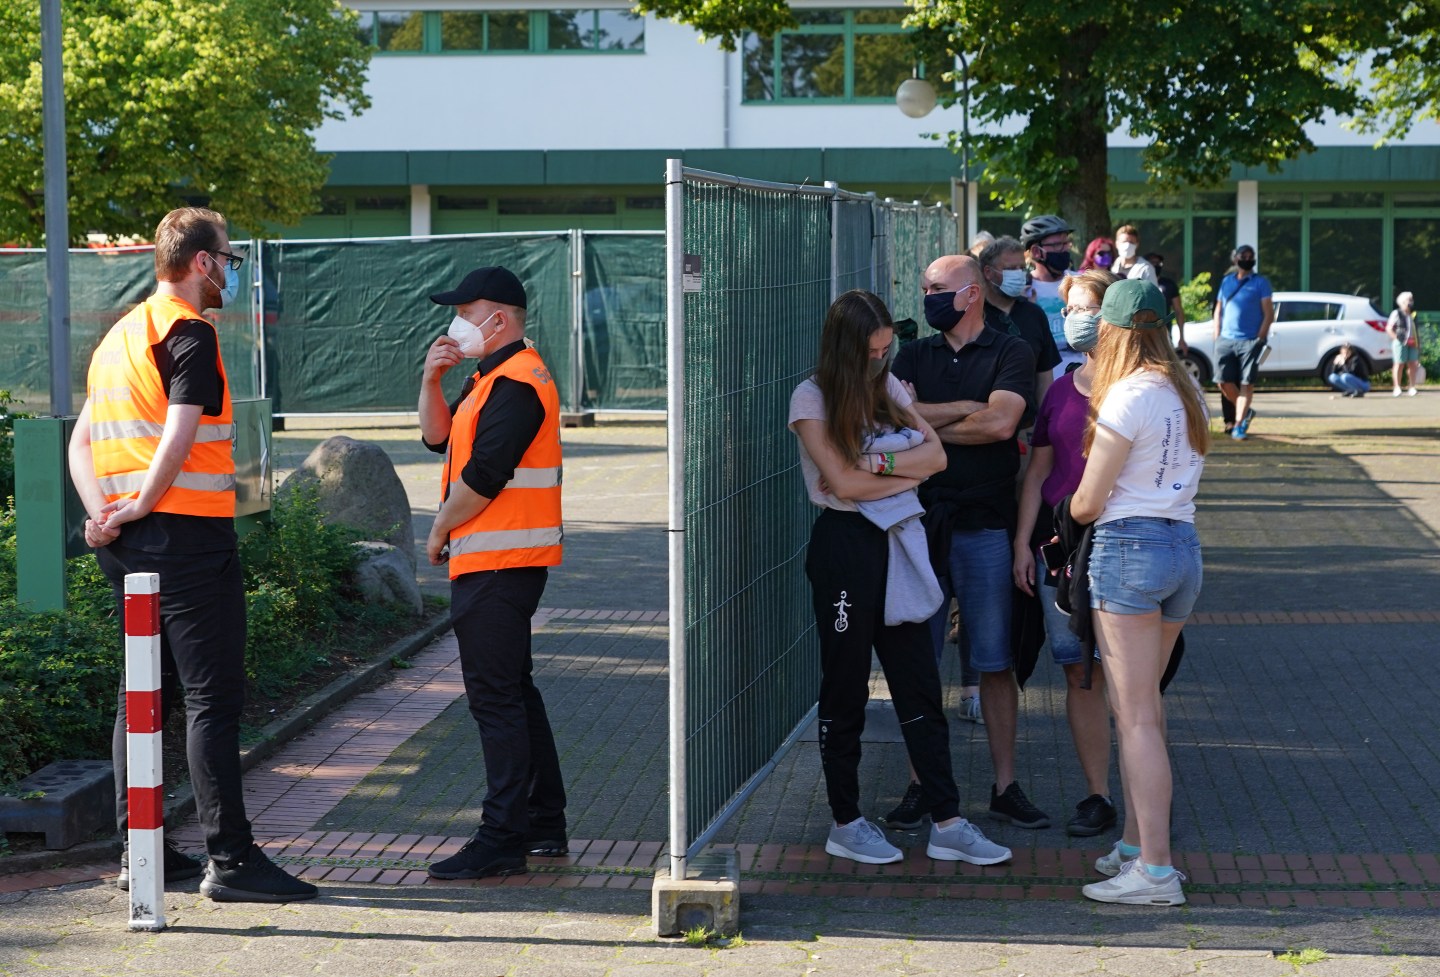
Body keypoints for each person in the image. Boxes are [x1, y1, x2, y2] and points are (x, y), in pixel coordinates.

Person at [67, 207, 318, 903]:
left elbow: (80, 444)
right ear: (202, 262)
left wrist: (104, 515)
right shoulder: (190, 331)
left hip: (130, 546)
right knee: (212, 700)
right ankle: (231, 860)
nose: (231, 271)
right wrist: (144, 502)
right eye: (229, 260)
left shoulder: (118, 337)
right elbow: (180, 431)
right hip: (187, 540)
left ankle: (139, 848)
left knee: (143, 694)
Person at [790, 289, 1012, 867]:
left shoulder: (887, 386)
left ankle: (949, 820)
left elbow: (935, 458)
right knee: (845, 687)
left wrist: (874, 464)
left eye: (888, 349)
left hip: (899, 545)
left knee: (918, 683)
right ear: (844, 348)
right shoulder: (810, 398)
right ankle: (846, 820)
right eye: (871, 351)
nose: (882, 361)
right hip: (844, 550)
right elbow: (844, 488)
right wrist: (888, 475)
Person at [891, 255, 1051, 832]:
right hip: (921, 527)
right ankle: (921, 785)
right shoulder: (912, 354)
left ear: (970, 293)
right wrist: (964, 409)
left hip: (986, 527)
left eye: (936, 288)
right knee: (919, 663)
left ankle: (1005, 786)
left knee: (994, 661)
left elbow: (1003, 425)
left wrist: (926, 420)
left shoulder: (1011, 351)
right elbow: (892, 421)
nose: (926, 296)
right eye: (925, 286)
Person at [420, 266, 569, 880]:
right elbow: (437, 440)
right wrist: (430, 379)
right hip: (495, 560)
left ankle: (502, 836)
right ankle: (541, 822)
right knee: (515, 693)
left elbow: (483, 478)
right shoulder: (489, 378)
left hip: (499, 563)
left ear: (499, 318)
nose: (456, 318)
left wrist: (436, 530)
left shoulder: (518, 384)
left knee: (496, 701)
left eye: (465, 308)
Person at [1067, 279, 1209, 907]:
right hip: (1183, 546)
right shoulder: (1187, 390)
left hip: (1130, 549)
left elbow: (1088, 501)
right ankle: (1134, 847)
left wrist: (1067, 507)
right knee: (1144, 710)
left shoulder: (1126, 396)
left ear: (1114, 332)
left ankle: (1155, 871)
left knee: (1137, 717)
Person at [1012, 270, 1119, 839]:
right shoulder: (1058, 390)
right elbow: (1038, 474)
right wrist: (1023, 544)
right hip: (1063, 553)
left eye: (1084, 307)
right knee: (1079, 672)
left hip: (1124, 548)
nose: (1072, 318)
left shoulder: (1136, 388)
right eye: (1068, 307)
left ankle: (1151, 793)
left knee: (1130, 677)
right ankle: (1097, 796)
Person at [979, 238, 1062, 408]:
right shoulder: (974, 315)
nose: (1018, 274)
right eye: (1010, 269)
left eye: (1022, 268)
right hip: (983, 421)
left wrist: (1042, 424)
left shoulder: (1034, 314)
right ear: (988, 272)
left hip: (1028, 427)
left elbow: (1044, 377)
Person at [1213, 245, 1273, 440]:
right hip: (1226, 340)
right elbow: (1218, 311)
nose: (1247, 259)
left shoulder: (1261, 283)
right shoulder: (1226, 282)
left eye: (1250, 256)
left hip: (1250, 341)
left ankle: (1239, 424)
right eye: (1243, 256)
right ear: (1235, 259)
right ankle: (1245, 410)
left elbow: (1268, 314)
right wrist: (1217, 336)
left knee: (1247, 383)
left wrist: (1260, 338)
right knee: (1222, 382)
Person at [1020, 214, 1081, 376]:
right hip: (1043, 384)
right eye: (1057, 245)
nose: (1065, 249)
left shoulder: (1082, 283)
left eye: (1066, 243)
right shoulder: (1022, 290)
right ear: (1036, 251)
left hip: (1083, 383)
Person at [1146, 252, 1188, 357]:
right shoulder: (1141, 283)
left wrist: (1182, 337)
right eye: (1152, 263)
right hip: (1144, 333)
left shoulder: (1168, 284)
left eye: (1158, 263)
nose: (1155, 265)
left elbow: (1178, 311)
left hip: (1164, 335)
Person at [1388, 291, 1421, 397]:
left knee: (1413, 364)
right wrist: (1397, 339)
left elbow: (1416, 329)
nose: (1410, 302)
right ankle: (1397, 387)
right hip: (1400, 342)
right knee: (1399, 364)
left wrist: (1418, 343)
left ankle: (1412, 387)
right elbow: (1389, 328)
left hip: (1413, 342)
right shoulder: (1396, 313)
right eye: (1408, 300)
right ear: (1402, 302)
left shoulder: (1414, 313)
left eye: (1411, 300)